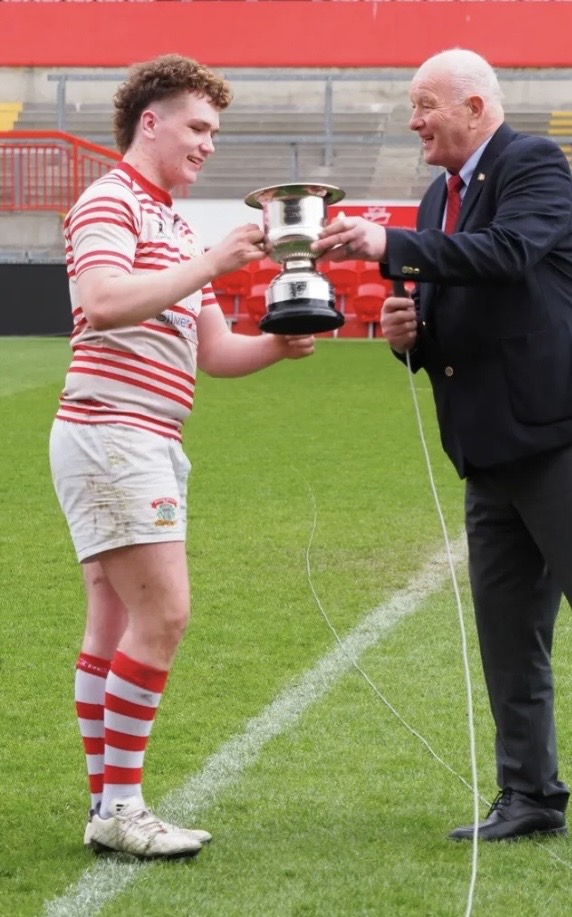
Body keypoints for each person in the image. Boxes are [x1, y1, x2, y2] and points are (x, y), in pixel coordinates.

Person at [312, 48, 572, 851]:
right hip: (491, 449)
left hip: (568, 430)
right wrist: (411, 338)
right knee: (507, 632)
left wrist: (386, 245)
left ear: (474, 105)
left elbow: (505, 256)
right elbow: (457, 313)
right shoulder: (437, 196)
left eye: (425, 104)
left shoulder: (534, 162)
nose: (413, 120)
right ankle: (530, 792)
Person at [49, 54, 315, 860]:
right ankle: (123, 807)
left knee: (116, 620)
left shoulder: (173, 221)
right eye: (198, 128)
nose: (208, 145)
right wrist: (211, 264)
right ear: (150, 121)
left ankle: (107, 802)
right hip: (114, 430)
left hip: (146, 434)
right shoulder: (110, 200)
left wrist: (278, 343)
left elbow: (212, 352)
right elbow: (99, 301)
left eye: (216, 133)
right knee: (164, 614)